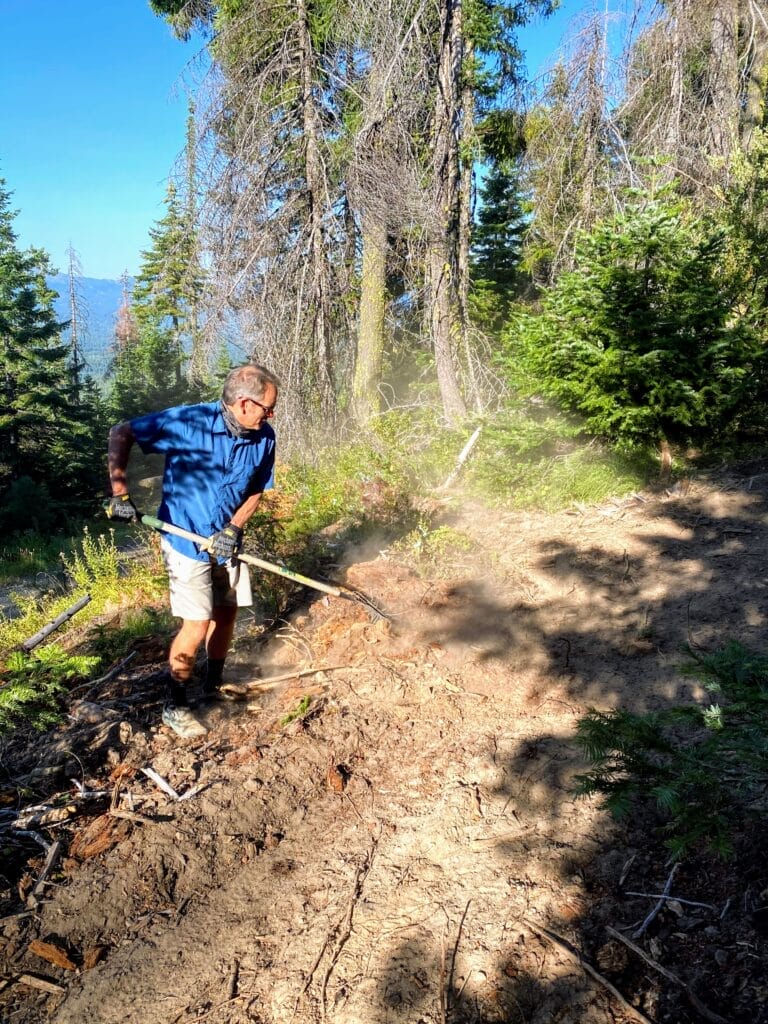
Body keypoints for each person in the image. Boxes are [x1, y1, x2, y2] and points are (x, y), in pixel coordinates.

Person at [106, 364, 279, 738]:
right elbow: (121, 432)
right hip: (186, 542)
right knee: (197, 623)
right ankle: (176, 705)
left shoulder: (264, 438)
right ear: (245, 404)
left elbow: (256, 489)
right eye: (267, 407)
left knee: (226, 613)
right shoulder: (189, 422)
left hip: (226, 542)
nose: (271, 415)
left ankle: (212, 684)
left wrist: (234, 528)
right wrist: (119, 493)